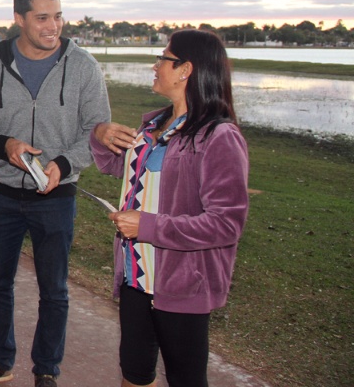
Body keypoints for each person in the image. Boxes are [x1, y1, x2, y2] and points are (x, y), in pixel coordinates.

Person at [0, 0, 111, 387]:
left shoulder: (83, 66)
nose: (53, 26)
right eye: (42, 17)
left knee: (55, 290)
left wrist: (64, 163)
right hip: (1, 194)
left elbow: (97, 132)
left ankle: (47, 370)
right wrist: (4, 144)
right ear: (19, 19)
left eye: (58, 16)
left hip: (57, 197)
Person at [90, 29, 249, 387]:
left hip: (183, 284)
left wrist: (148, 226)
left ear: (185, 69)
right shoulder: (154, 125)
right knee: (134, 373)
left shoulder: (219, 136)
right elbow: (116, 166)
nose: (155, 64)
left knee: (186, 379)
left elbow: (226, 224)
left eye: (163, 57)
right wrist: (100, 135)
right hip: (136, 276)